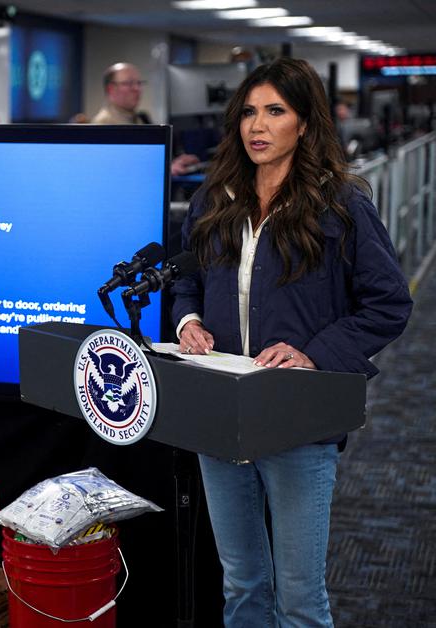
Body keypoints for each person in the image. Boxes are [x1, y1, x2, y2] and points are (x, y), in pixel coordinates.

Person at [172, 58, 413, 627]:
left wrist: (315, 353)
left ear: (304, 123)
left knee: (300, 599)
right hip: (220, 412)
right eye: (248, 112)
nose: (257, 126)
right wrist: (187, 321)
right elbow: (186, 280)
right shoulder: (215, 199)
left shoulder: (341, 204)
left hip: (297, 418)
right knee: (242, 583)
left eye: (275, 111)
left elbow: (389, 304)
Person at [92, 62, 199, 175]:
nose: (137, 88)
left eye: (139, 83)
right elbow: (118, 170)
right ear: (111, 89)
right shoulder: (103, 125)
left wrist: (171, 163)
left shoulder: (140, 119)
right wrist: (164, 169)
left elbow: (143, 160)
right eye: (129, 83)